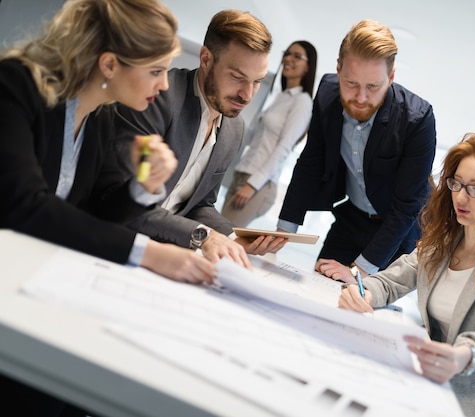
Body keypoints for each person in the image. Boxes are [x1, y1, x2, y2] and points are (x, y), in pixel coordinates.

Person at [0, 0, 216, 414]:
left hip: (29, 287)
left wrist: (140, 188)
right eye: (155, 71)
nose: (165, 85)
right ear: (110, 65)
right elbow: (25, 206)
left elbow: (90, 216)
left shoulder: (99, 117)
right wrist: (148, 252)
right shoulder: (15, 85)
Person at [339, 133, 475, 416]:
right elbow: (390, 281)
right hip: (430, 386)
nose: (460, 197)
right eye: (456, 183)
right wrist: (362, 292)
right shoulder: (443, 243)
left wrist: (465, 355)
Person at [114, 9, 285, 263]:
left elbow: (200, 203)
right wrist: (203, 236)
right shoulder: (158, 98)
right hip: (116, 240)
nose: (247, 95)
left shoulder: (233, 129)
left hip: (167, 253)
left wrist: (232, 235)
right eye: (237, 77)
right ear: (206, 58)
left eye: (257, 81)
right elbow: (126, 198)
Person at [276, 19, 436, 283]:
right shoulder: (327, 93)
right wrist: (283, 232)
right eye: (350, 83)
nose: (361, 97)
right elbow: (311, 162)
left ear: (391, 77)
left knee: (359, 308)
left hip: (396, 233)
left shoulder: (417, 120)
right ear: (338, 70)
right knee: (317, 286)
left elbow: (408, 206)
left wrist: (358, 272)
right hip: (351, 218)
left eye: (373, 86)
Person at [221, 40, 317, 227]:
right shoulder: (279, 97)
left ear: (308, 67)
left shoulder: (302, 101)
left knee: (223, 237)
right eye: (287, 53)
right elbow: (252, 137)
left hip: (258, 184)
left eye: (297, 56)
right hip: (242, 173)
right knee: (217, 235)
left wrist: (252, 185)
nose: (289, 59)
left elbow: (284, 147)